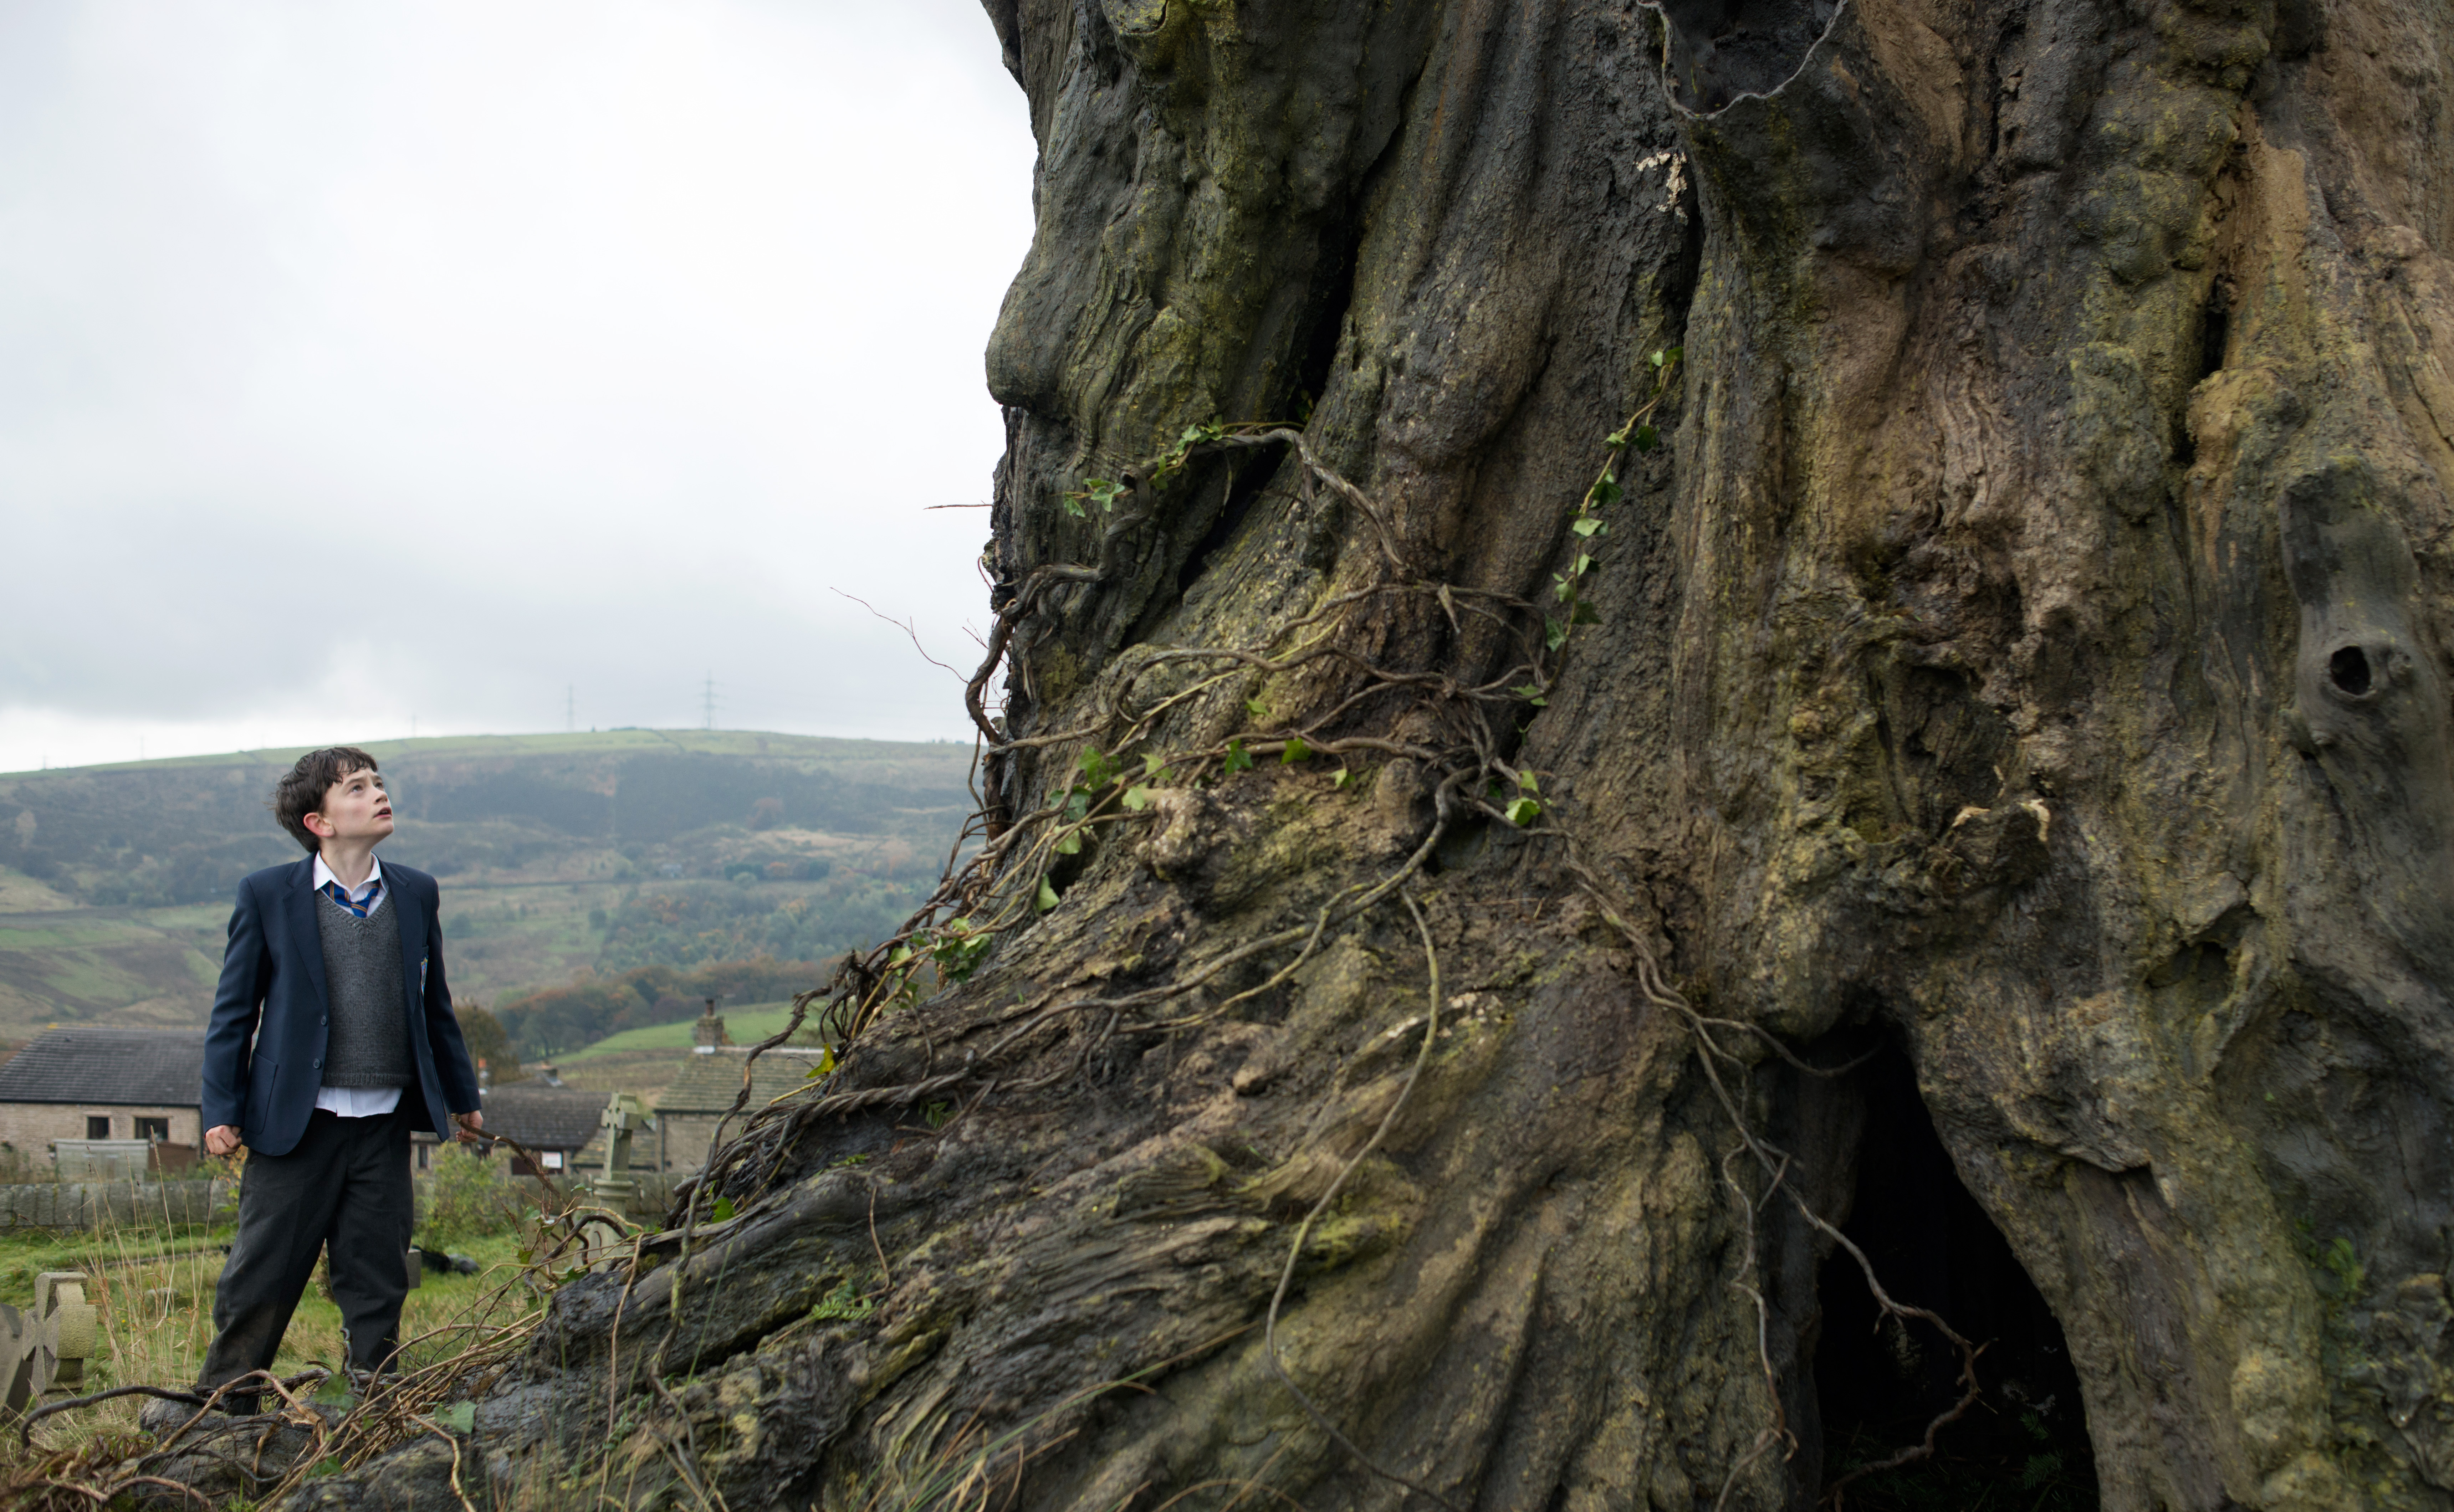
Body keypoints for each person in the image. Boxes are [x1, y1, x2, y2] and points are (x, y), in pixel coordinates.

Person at [191, 746, 484, 1411]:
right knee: (261, 1276)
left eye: (378, 782)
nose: (378, 793)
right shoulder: (268, 894)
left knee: (377, 1276)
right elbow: (234, 1011)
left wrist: (463, 1095)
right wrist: (220, 1107)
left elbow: (434, 1002)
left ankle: (372, 1411)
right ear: (318, 821)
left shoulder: (416, 891)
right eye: (357, 788)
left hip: (384, 1124)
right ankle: (222, 1413)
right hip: (295, 1128)